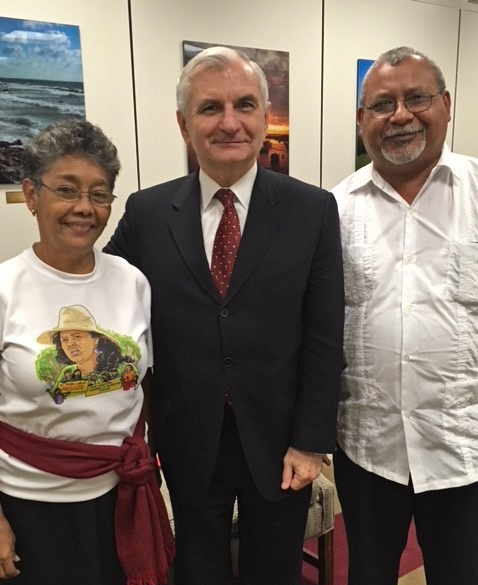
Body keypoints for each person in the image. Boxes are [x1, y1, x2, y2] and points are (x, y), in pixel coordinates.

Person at [105, 46, 344, 585]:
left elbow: (326, 337)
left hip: (282, 443)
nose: (229, 122)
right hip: (188, 438)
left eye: (245, 105)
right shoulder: (147, 213)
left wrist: (311, 439)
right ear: (183, 123)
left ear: (264, 117)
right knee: (198, 569)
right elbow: (103, 296)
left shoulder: (313, 210)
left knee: (273, 572)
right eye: (210, 108)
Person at [0, 120, 174, 585]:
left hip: (120, 498)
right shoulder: (4, 288)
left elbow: (145, 386)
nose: (84, 208)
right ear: (32, 195)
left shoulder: (132, 281)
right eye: (67, 189)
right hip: (29, 506)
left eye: (99, 194)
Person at [332, 46, 478, 585]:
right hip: (370, 448)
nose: (399, 115)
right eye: (381, 105)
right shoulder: (335, 210)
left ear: (446, 104)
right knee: (368, 574)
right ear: (361, 120)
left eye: (416, 98)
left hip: (466, 448)